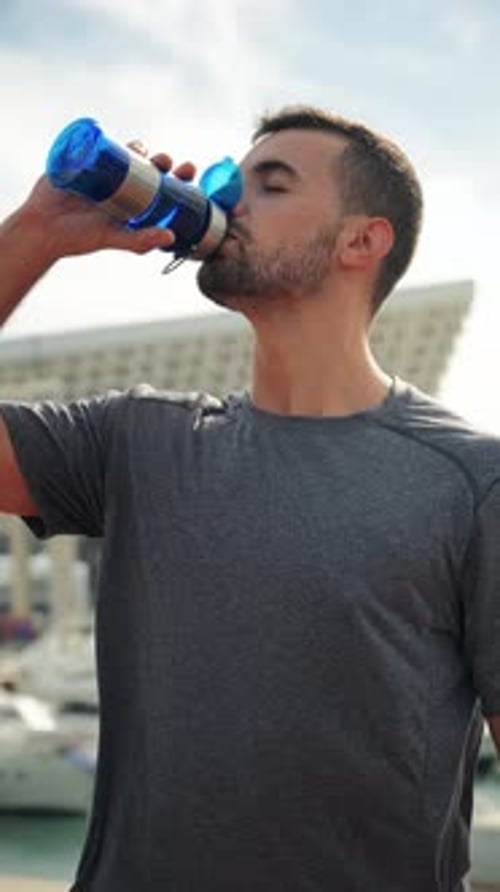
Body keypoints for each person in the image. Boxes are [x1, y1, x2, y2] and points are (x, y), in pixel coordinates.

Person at [0, 105, 499, 892]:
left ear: (361, 241)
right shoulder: (134, 443)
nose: (227, 202)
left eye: (269, 184)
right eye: (231, 180)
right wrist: (36, 231)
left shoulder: (472, 482)